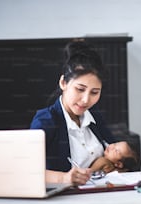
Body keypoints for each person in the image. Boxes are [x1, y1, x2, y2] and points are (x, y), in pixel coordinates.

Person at [30, 40, 117, 185]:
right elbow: (25, 170)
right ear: (63, 83)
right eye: (80, 89)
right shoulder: (46, 120)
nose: (85, 100)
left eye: (94, 92)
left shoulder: (94, 115)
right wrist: (63, 178)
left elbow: (113, 149)